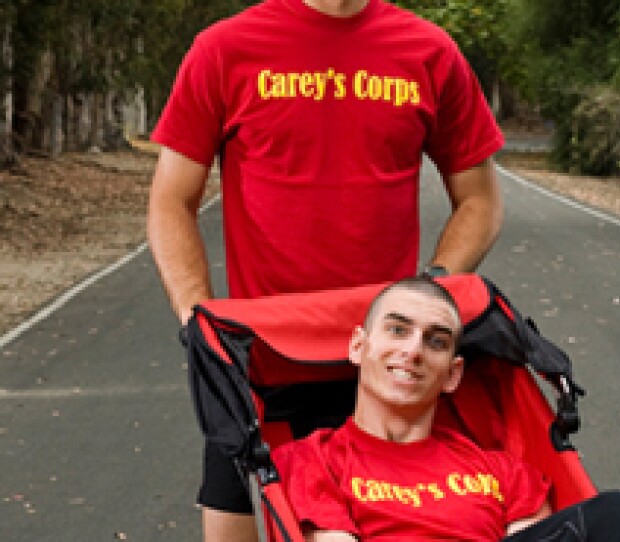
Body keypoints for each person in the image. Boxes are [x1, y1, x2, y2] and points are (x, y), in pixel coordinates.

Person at [147, 0, 504, 538]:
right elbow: (171, 201)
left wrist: (426, 293)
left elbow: (480, 200)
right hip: (258, 362)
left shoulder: (430, 52)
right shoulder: (224, 49)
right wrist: (198, 318)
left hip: (382, 372)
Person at [273, 277, 620, 541]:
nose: (413, 351)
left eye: (435, 341)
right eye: (397, 330)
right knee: (616, 516)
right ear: (358, 347)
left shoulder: (499, 469)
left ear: (453, 373)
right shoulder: (312, 458)